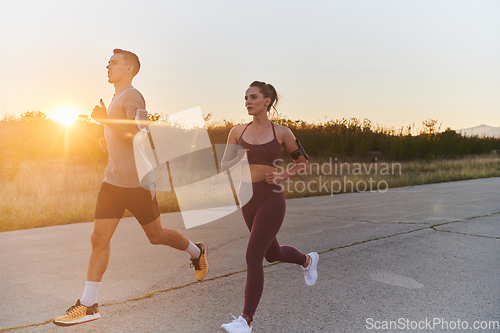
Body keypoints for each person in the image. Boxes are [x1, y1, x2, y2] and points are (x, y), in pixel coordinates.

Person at [53, 49, 208, 326]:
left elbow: (140, 131)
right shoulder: (115, 98)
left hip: (137, 184)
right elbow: (124, 137)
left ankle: (197, 252)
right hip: (113, 182)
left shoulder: (132, 95)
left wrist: (104, 120)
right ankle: (89, 305)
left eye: (114, 62)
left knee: (156, 235)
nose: (108, 66)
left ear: (129, 69)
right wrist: (108, 141)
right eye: (108, 62)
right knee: (98, 239)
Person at [220, 81, 319, 333]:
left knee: (253, 255)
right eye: (245, 98)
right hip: (247, 196)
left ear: (267, 101)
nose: (248, 102)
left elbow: (302, 163)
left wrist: (282, 176)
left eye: (253, 97)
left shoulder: (282, 132)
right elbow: (224, 165)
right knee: (271, 254)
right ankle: (307, 260)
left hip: (271, 197)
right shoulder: (236, 131)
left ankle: (246, 320)